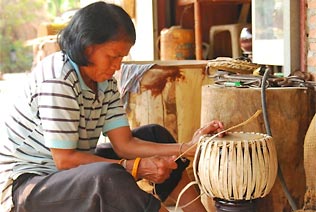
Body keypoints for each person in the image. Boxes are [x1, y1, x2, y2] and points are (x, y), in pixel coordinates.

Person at [0, 2, 225, 212]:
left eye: (122, 57)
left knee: (156, 136)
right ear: (87, 47)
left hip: (64, 173)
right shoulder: (58, 78)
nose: (117, 65)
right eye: (112, 56)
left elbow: (125, 144)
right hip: (28, 185)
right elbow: (65, 160)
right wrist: (135, 167)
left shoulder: (104, 81)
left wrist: (188, 146)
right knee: (108, 177)